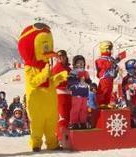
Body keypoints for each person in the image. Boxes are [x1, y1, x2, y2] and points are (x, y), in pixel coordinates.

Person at [18, 23, 68, 151]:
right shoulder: (30, 67)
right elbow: (33, 82)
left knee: (51, 123)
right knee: (37, 123)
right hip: (37, 102)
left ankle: (52, 143)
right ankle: (36, 143)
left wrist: (59, 77)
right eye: (45, 46)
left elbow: (50, 82)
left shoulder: (46, 65)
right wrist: (45, 72)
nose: (48, 50)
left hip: (49, 101)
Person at [95, 41, 124, 109]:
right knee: (103, 90)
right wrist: (113, 62)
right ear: (104, 49)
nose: (110, 50)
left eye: (111, 48)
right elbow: (102, 65)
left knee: (109, 91)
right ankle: (101, 103)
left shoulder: (111, 58)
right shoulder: (101, 59)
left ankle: (106, 103)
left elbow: (113, 66)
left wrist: (116, 69)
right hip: (104, 78)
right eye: (109, 48)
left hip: (110, 78)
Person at [51, 50, 72, 143]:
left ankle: (65, 136)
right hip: (60, 94)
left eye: (63, 56)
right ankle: (59, 137)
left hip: (68, 94)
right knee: (62, 115)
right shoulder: (56, 68)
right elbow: (53, 82)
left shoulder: (68, 68)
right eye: (59, 57)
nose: (61, 58)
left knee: (67, 116)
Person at [68, 55, 91, 129]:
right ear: (75, 64)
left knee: (84, 108)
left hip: (84, 92)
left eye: (82, 62)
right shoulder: (73, 72)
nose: (81, 64)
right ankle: (74, 122)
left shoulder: (86, 72)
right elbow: (70, 81)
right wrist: (78, 81)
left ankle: (83, 122)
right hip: (77, 93)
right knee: (76, 108)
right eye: (79, 63)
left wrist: (87, 82)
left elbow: (89, 81)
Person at [122, 59, 136, 128]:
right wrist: (129, 88)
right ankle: (132, 121)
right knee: (132, 111)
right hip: (132, 99)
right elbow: (124, 88)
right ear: (131, 68)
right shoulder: (126, 78)